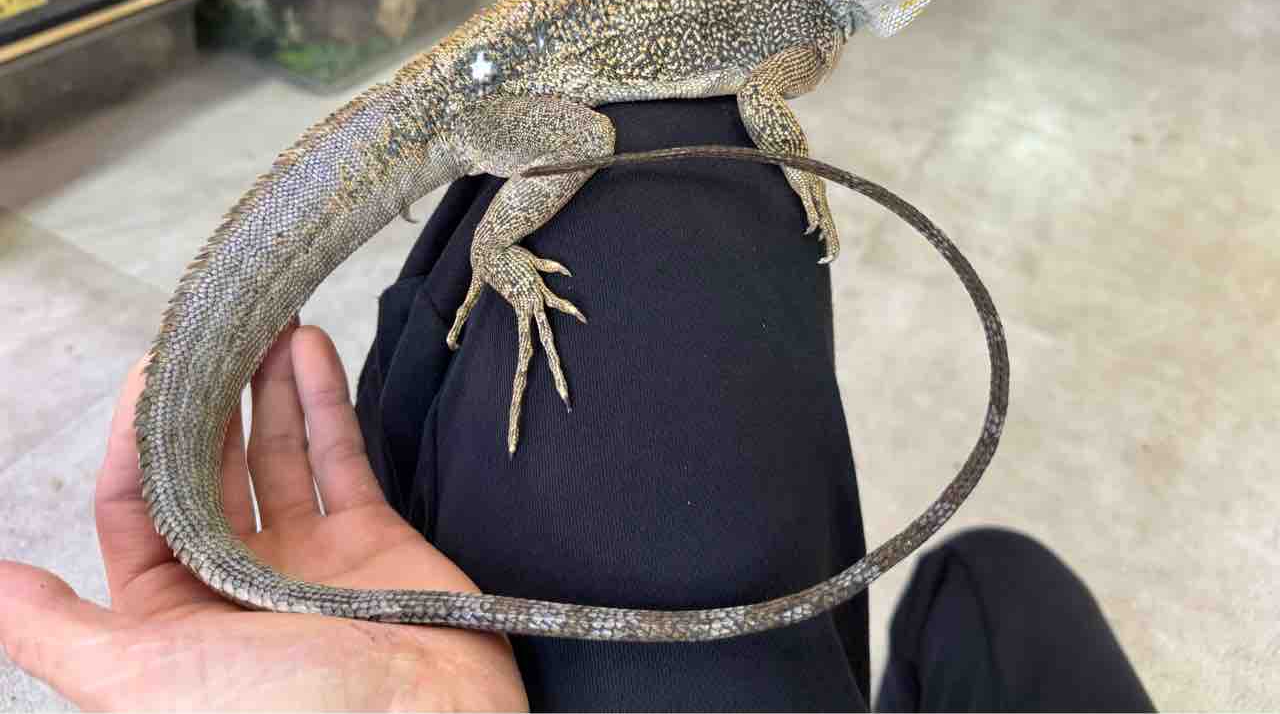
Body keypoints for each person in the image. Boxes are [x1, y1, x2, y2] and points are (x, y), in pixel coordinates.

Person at [0, 98, 1153, 711]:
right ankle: (496, 254)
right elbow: (765, 103)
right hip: (491, 90)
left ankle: (488, 261)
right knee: (999, 577)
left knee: (651, 148)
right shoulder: (789, 28)